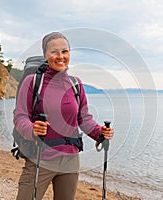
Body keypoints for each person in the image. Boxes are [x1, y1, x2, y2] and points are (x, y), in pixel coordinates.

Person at [13, 32, 115, 200]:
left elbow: (84, 119)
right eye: (54, 52)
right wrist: (32, 129)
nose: (60, 56)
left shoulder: (76, 84)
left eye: (65, 51)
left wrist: (100, 133)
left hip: (70, 160)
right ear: (45, 55)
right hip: (40, 157)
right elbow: (20, 116)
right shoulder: (32, 82)